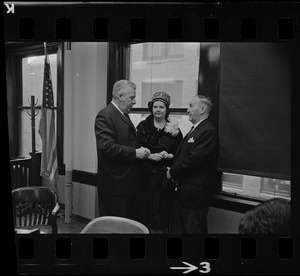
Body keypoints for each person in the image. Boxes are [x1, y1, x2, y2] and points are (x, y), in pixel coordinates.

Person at [94, 79, 150, 220]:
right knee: (114, 229)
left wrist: (140, 148)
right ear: (120, 96)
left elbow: (125, 141)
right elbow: (106, 147)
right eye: (131, 98)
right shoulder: (105, 115)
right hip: (115, 187)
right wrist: (135, 152)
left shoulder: (122, 114)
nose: (134, 102)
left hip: (126, 185)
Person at [167, 95, 219, 234]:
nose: (187, 110)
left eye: (191, 106)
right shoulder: (195, 129)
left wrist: (172, 172)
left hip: (195, 196)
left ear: (202, 109)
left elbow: (193, 160)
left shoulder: (208, 130)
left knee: (194, 232)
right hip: (187, 194)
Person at [136, 92, 183, 233]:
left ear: (166, 109)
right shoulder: (143, 126)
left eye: (161, 107)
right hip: (145, 176)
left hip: (165, 178)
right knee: (146, 209)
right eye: (155, 106)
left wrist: (169, 155)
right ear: (151, 108)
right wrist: (149, 156)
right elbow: (135, 147)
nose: (158, 109)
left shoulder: (174, 128)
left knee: (163, 210)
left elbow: (181, 152)